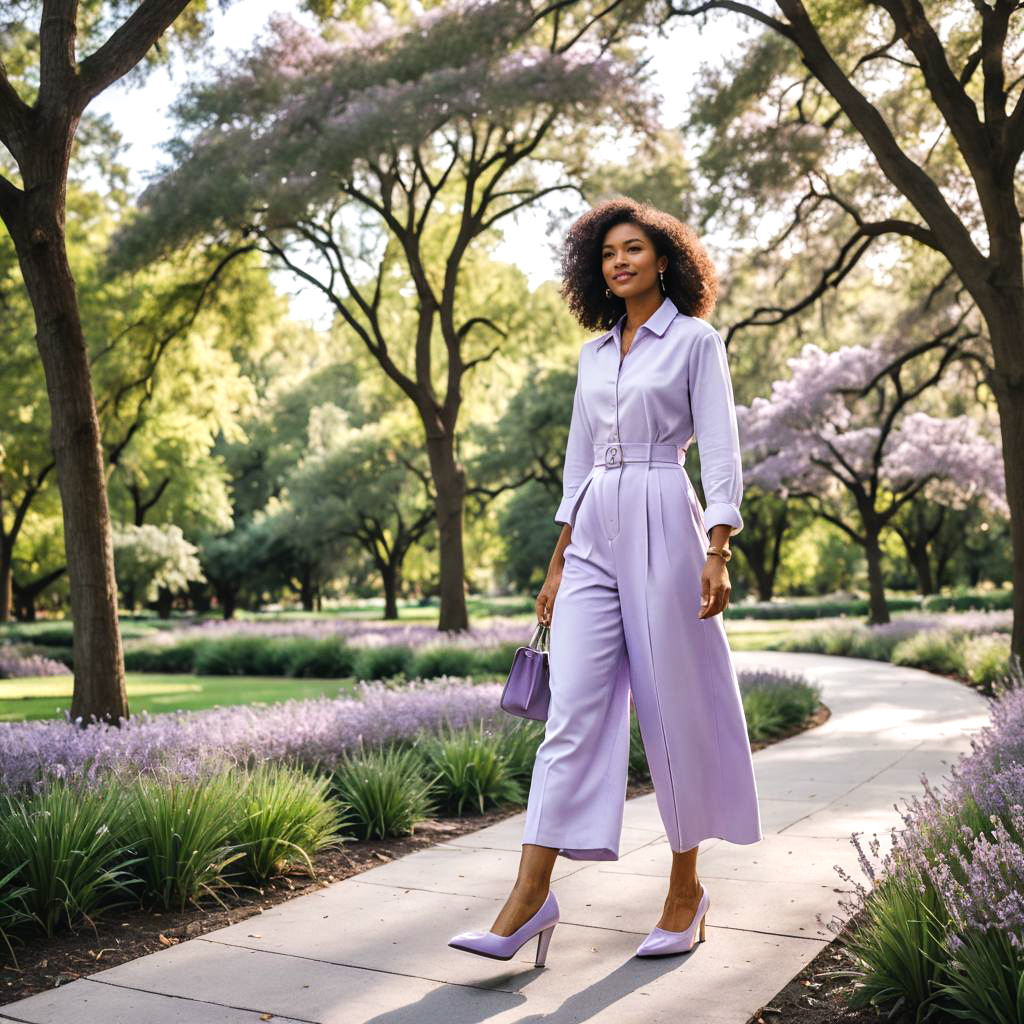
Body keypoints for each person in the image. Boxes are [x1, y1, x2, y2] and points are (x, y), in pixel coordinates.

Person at [448, 197, 763, 966]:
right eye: (608, 254)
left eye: (634, 249)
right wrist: (557, 561)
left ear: (665, 259)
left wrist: (718, 548)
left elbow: (718, 451)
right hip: (592, 533)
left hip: (666, 514)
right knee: (572, 713)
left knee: (672, 710)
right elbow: (577, 465)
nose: (619, 262)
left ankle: (686, 892)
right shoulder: (593, 357)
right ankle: (529, 898)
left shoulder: (694, 341)